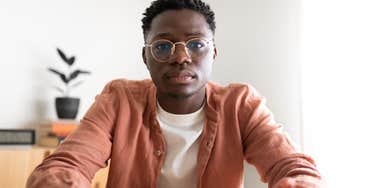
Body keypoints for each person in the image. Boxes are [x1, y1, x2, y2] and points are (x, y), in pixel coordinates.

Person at [27, 0, 325, 187]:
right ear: (146, 57)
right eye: (163, 46)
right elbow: (67, 165)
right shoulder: (119, 101)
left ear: (213, 54)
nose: (181, 57)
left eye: (196, 44)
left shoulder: (241, 104)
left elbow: (291, 166)